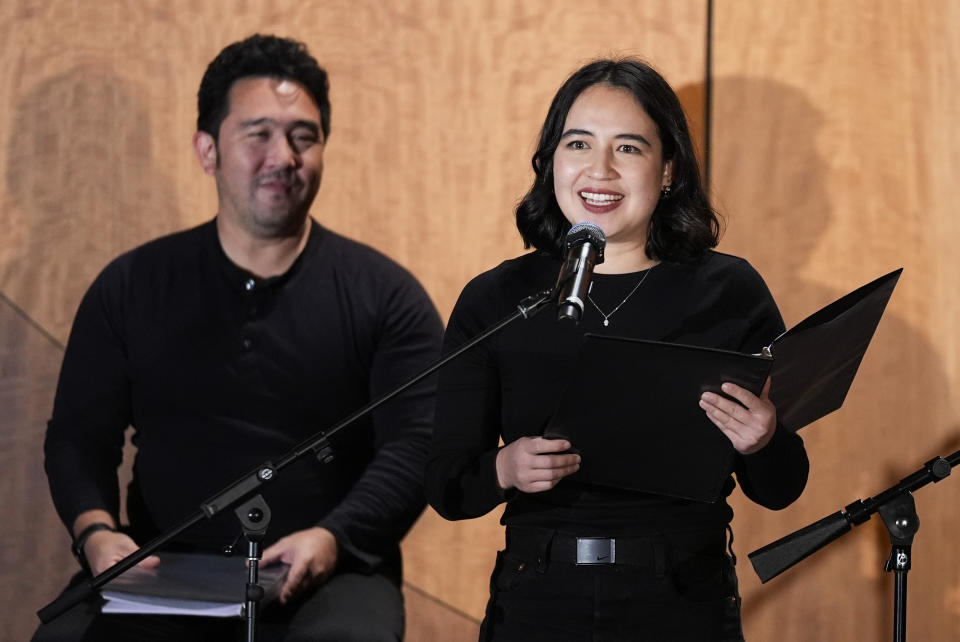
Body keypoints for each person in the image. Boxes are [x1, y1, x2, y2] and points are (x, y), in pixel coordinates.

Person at [36, 34, 442, 642]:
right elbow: (77, 436)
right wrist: (96, 533)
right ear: (208, 150)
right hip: (160, 561)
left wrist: (334, 536)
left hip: (329, 567)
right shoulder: (131, 286)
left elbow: (417, 442)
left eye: (304, 136)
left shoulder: (385, 295)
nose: (284, 155)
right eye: (258, 134)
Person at [424, 59, 809, 641]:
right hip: (539, 593)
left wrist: (764, 439)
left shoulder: (729, 292)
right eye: (578, 143)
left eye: (628, 148)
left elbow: (781, 488)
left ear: (669, 169)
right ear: (551, 160)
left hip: (684, 595)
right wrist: (504, 468)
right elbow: (447, 486)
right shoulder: (500, 297)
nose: (599, 170)